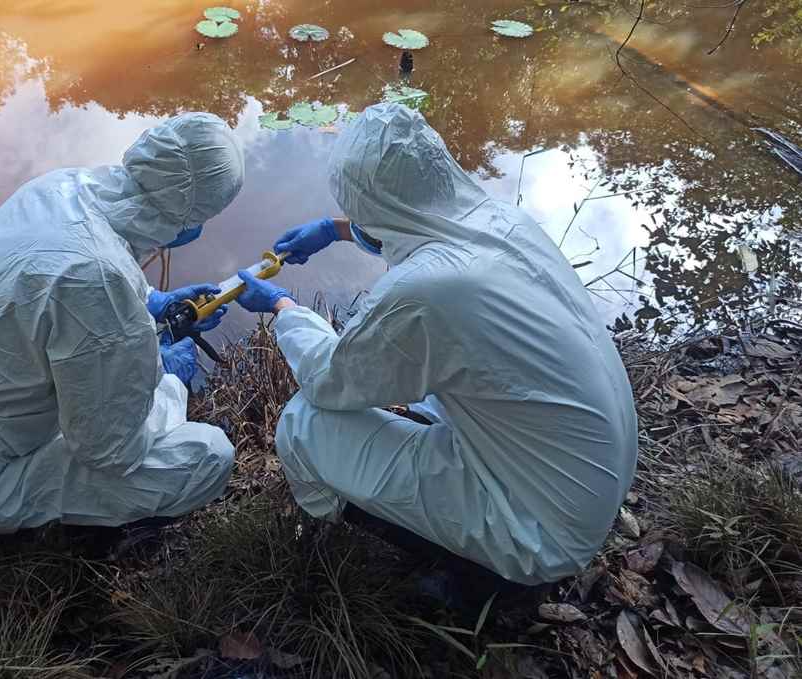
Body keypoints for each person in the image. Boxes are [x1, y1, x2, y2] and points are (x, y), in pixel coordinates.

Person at [234, 103, 638, 590]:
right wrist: (338, 230)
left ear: (366, 201)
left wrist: (282, 307)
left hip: (541, 532)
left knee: (304, 422)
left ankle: (465, 574)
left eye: (357, 209)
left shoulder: (425, 293)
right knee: (431, 387)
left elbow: (328, 380)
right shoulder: (504, 221)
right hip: (591, 482)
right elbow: (420, 221)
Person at [0, 112, 245, 537]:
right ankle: (82, 534)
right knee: (209, 456)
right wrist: (169, 381)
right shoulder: (99, 278)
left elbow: (69, 278)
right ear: (192, 214)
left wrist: (151, 302)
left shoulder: (59, 188)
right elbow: (111, 451)